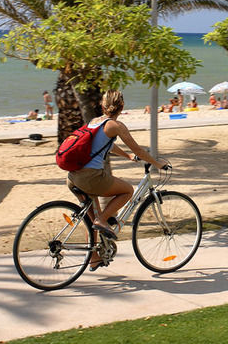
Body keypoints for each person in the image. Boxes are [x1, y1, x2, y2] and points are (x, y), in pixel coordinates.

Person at [66, 90, 168, 270]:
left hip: (74, 177)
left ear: (103, 106)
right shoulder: (116, 125)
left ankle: (94, 257)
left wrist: (127, 156)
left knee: (91, 219)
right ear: (122, 106)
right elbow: (140, 151)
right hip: (90, 178)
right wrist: (157, 164)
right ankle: (103, 219)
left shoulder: (95, 122)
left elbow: (107, 145)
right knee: (127, 190)